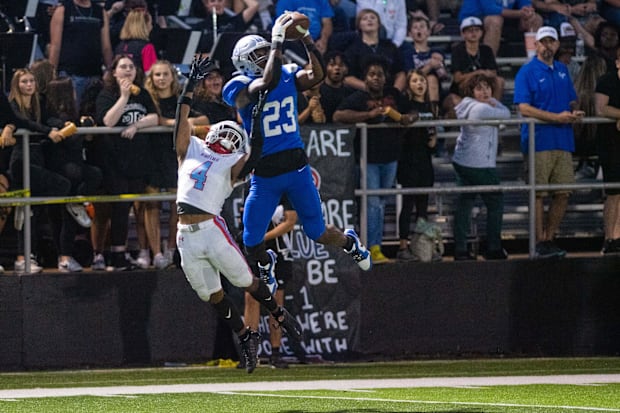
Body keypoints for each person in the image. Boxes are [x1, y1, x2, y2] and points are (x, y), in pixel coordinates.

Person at [175, 55, 302, 373]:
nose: (229, 138)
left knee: (246, 281)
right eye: (226, 133)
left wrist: (254, 116)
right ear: (212, 133)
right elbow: (181, 118)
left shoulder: (232, 165)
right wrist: (190, 86)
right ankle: (246, 336)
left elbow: (256, 150)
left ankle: (279, 315)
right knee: (212, 295)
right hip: (185, 236)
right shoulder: (190, 147)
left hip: (210, 227)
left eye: (235, 136)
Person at [222, 15, 372, 281]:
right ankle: (266, 264)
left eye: (265, 51)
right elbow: (265, 84)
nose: (265, 56)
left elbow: (318, 75)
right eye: (258, 54)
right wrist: (278, 40)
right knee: (251, 240)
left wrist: (306, 41)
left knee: (317, 231)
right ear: (243, 60)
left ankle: (350, 243)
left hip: (296, 168)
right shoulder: (237, 86)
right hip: (264, 175)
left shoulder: (286, 73)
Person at [333, 56, 417, 264]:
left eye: (379, 75)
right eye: (372, 75)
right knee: (372, 204)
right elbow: (338, 115)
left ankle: (374, 245)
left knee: (381, 203)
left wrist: (409, 119)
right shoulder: (359, 97)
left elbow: (414, 111)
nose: (376, 79)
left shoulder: (394, 95)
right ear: (365, 78)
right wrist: (368, 115)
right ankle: (373, 247)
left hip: (391, 157)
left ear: (385, 77)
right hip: (367, 158)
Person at [513, 26, 585, 259]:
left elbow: (571, 99)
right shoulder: (527, 72)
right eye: (543, 42)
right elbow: (523, 107)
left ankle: (548, 238)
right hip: (539, 140)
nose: (547, 46)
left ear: (556, 45)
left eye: (550, 42)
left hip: (562, 139)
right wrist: (556, 117)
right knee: (538, 193)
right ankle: (538, 242)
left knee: (563, 191)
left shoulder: (563, 70)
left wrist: (575, 110)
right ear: (536, 44)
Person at [95, 54, 159, 270]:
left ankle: (127, 253)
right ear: (114, 72)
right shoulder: (107, 94)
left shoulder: (142, 94)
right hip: (115, 160)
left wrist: (137, 125)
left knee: (134, 205)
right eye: (123, 67)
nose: (128, 70)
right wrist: (123, 97)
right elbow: (108, 120)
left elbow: (155, 117)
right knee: (119, 208)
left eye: (131, 67)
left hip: (138, 160)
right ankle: (116, 254)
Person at [8, 68, 72, 274]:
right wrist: (48, 132)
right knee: (59, 187)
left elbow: (50, 119)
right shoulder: (12, 105)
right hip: (21, 161)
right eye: (24, 81)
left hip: (38, 158)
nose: (29, 85)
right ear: (16, 85)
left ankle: (28, 256)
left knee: (31, 212)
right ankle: (22, 257)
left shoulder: (40, 102)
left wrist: (63, 124)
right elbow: (23, 123)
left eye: (32, 81)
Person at [45, 76, 103, 271]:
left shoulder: (70, 115)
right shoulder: (56, 117)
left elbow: (85, 138)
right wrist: (83, 126)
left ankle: (65, 256)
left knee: (65, 215)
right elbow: (71, 140)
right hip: (63, 171)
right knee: (62, 216)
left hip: (70, 170)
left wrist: (85, 124)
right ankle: (64, 257)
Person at [452, 73, 511, 261]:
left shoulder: (470, 106)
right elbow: (506, 114)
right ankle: (493, 247)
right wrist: (494, 101)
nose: (485, 91)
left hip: (464, 161)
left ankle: (460, 249)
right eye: (480, 88)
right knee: (495, 202)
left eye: (488, 87)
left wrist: (492, 102)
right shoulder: (479, 109)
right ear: (471, 92)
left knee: (465, 203)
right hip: (479, 164)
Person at [242, 196, 297, 369]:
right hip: (256, 250)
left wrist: (262, 237)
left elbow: (290, 221)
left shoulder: (286, 187)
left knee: (275, 301)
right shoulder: (251, 186)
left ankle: (275, 353)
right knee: (251, 298)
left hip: (278, 250)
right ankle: (249, 354)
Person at [396, 69, 437, 261]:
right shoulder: (406, 105)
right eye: (415, 81)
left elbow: (433, 131)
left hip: (425, 160)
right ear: (409, 85)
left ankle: (423, 244)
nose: (420, 84)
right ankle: (402, 246)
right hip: (409, 159)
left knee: (423, 205)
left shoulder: (431, 107)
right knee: (408, 204)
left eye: (422, 80)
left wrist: (434, 140)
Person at [49, 0, 113, 107]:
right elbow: (55, 46)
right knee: (72, 113)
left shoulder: (101, 12)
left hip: (95, 75)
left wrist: (110, 70)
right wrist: (51, 74)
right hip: (70, 74)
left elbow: (106, 47)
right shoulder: (63, 10)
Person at [444, 16, 505, 120]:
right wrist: (479, 72)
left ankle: (493, 112)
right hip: (463, 91)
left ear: (481, 33)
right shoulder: (458, 50)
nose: (474, 33)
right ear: (463, 34)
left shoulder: (486, 50)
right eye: (469, 30)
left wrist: (481, 75)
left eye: (477, 30)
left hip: (483, 88)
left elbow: (493, 73)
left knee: (499, 81)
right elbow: (457, 78)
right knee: (455, 97)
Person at [594, 46, 620, 254]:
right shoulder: (607, 80)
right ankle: (610, 238)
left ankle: (618, 236)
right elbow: (601, 108)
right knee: (613, 192)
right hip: (610, 144)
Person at [343, 9, 407, 92]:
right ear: (359, 25)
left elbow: (400, 73)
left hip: (389, 92)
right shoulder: (352, 49)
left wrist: (394, 92)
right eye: (365, 18)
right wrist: (370, 88)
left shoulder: (390, 46)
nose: (369, 20)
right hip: (362, 93)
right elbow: (348, 78)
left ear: (379, 24)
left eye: (373, 18)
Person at [458, 0, 543, 56]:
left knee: (536, 19)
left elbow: (526, 4)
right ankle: (488, 63)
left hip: (504, 17)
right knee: (494, 20)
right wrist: (519, 13)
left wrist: (528, 13)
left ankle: (532, 58)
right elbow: (490, 9)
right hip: (475, 17)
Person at [400, 12, 449, 110]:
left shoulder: (437, 52)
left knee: (432, 79)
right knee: (430, 78)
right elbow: (410, 77)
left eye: (422, 27)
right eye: (415, 27)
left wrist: (440, 64)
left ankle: (434, 114)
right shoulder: (407, 53)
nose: (419, 30)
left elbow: (444, 76)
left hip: (435, 90)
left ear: (429, 32)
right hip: (412, 91)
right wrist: (430, 65)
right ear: (410, 34)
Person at [193, 0, 260, 52]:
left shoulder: (234, 22)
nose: (217, 3)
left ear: (224, 2)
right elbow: (189, 56)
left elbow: (254, 5)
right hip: (207, 67)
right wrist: (210, 56)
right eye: (212, 1)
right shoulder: (198, 27)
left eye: (220, 0)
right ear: (206, 4)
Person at [114, 8, 158, 74]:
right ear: (144, 26)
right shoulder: (147, 48)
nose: (151, 27)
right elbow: (151, 75)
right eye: (150, 23)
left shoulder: (119, 47)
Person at [318, 50, 355, 123]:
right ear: (325, 68)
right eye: (332, 65)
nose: (337, 68)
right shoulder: (317, 92)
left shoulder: (351, 94)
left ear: (346, 70)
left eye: (341, 65)